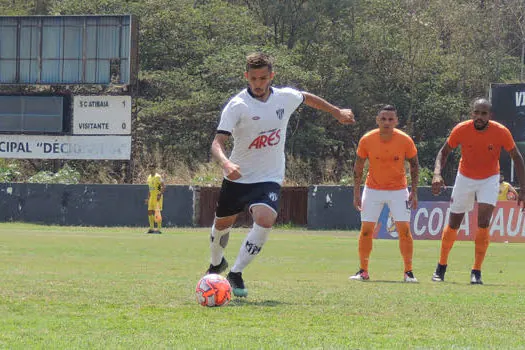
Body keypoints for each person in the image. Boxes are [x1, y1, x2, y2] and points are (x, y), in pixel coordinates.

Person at [205, 52, 355, 297]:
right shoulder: (237, 105)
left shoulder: (284, 98)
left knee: (265, 219)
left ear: (271, 76)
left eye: (263, 78)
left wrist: (336, 112)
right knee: (222, 226)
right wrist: (225, 164)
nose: (258, 83)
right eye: (253, 78)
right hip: (238, 177)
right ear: (246, 77)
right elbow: (217, 142)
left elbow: (307, 98)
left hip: (269, 177)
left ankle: (236, 272)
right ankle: (216, 263)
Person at [431, 98, 525, 284]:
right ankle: (441, 267)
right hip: (464, 177)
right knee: (454, 222)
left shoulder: (501, 131)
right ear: (472, 113)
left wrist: (523, 188)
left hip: (490, 178)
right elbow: (443, 152)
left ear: (490, 116)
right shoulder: (461, 129)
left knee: (483, 222)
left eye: (484, 113)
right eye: (477, 112)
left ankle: (476, 271)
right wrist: (436, 174)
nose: (479, 116)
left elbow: (517, 157)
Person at [350, 105, 420, 283]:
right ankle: (363, 271)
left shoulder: (405, 140)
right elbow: (358, 167)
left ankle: (408, 272)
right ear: (377, 120)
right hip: (372, 189)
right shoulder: (367, 139)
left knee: (404, 231)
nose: (387, 122)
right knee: (366, 231)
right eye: (383, 119)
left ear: (396, 121)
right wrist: (356, 193)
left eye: (390, 119)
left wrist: (414, 191)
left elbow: (414, 165)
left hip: (398, 191)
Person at [145, 165, 165, 234]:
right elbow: (150, 189)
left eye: (152, 169)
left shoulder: (158, 177)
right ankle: (151, 228)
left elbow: (162, 186)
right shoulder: (149, 177)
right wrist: (148, 198)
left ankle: (159, 229)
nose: (151, 170)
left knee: (157, 212)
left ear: (155, 169)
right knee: (149, 212)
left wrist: (159, 194)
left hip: (157, 197)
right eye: (150, 169)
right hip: (151, 197)